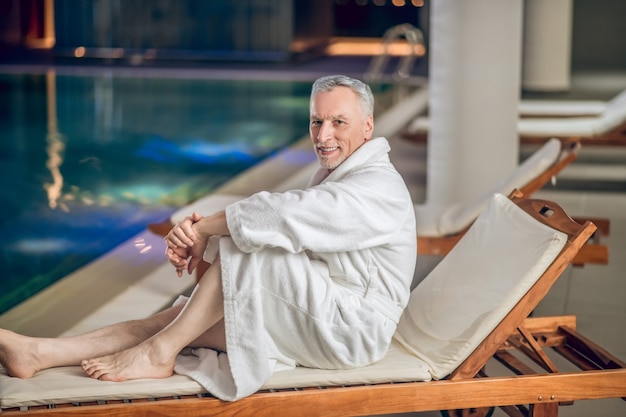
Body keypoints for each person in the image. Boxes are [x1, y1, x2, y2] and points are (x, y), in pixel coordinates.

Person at [0, 74, 417, 401]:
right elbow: (286, 226)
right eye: (316, 121)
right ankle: (37, 353)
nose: (323, 135)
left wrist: (202, 229)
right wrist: (209, 242)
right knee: (170, 321)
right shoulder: (338, 174)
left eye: (338, 122)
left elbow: (286, 214)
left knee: (250, 245)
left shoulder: (377, 186)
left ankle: (158, 355)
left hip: (352, 330)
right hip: (320, 310)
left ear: (367, 127)